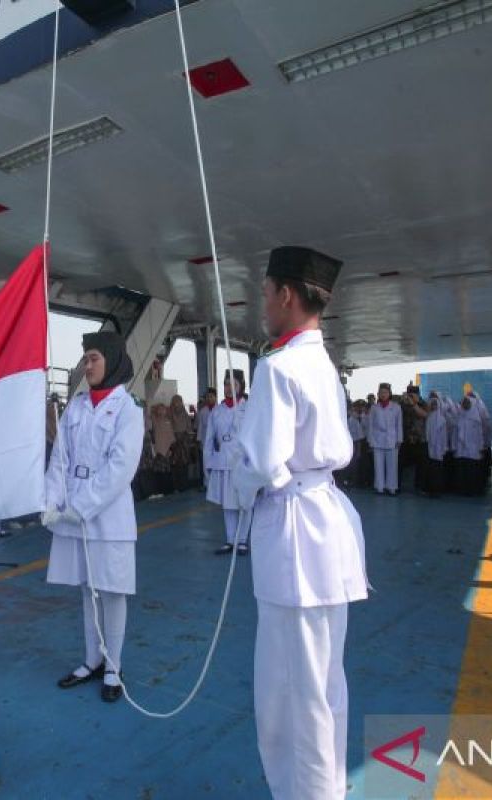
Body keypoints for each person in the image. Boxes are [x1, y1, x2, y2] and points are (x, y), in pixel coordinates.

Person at [232, 245, 369, 800]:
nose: (264, 306)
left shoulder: (278, 367)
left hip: (294, 539)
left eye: (266, 294)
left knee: (290, 691)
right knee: (323, 684)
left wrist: (239, 484)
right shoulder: (322, 363)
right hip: (325, 528)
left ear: (286, 294)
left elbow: (261, 462)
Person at [44, 331, 143, 703]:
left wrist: (79, 505)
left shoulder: (128, 410)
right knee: (88, 589)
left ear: (113, 360)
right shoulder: (76, 406)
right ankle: (91, 661)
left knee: (112, 592)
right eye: (85, 359)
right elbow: (60, 459)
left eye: (94, 358)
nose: (87, 366)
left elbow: (120, 468)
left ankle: (113, 668)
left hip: (108, 515)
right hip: (73, 513)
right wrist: (52, 500)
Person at [204, 369, 249, 555]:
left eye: (233, 384)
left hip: (244, 462)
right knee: (228, 503)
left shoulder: (249, 407)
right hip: (223, 462)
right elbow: (209, 439)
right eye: (226, 384)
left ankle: (243, 540)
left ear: (241, 386)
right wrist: (207, 463)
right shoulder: (217, 410)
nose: (229, 388)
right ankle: (231, 539)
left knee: (245, 502)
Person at [368, 383, 402, 495]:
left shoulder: (396, 407)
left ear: (389, 394)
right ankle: (379, 487)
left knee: (392, 465)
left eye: (385, 392)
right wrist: (370, 440)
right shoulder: (374, 408)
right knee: (378, 465)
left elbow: (399, 425)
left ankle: (392, 487)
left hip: (392, 439)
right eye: (381, 393)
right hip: (377, 439)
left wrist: (399, 439)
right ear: (378, 394)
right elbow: (370, 425)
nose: (383, 395)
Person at [453, 396, 488, 495]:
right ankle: (462, 489)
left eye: (467, 403)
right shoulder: (459, 416)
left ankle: (473, 490)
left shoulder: (475, 418)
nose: (465, 405)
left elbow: (479, 434)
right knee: (462, 470)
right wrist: (454, 447)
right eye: (464, 403)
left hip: (473, 449)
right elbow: (455, 433)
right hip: (460, 449)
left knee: (472, 470)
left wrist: (481, 447)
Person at [399, 385, 429, 492]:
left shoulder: (423, 403)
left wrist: (413, 404)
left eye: (413, 394)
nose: (410, 396)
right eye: (409, 394)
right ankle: (397, 485)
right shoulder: (402, 404)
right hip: (405, 438)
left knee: (421, 465)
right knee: (400, 463)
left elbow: (425, 415)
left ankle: (419, 487)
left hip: (420, 439)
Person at [424, 395, 450, 497]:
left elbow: (444, 435)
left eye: (435, 404)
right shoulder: (429, 417)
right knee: (430, 468)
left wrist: (444, 447)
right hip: (430, 446)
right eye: (432, 404)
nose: (434, 406)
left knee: (438, 469)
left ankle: (437, 490)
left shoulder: (442, 419)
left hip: (439, 447)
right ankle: (430, 489)